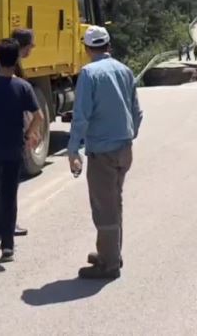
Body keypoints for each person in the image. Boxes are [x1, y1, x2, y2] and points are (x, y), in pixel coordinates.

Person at [68, 26, 143, 280]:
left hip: (103, 151)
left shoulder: (89, 73)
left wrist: (73, 150)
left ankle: (109, 264)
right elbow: (137, 112)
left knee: (104, 207)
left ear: (87, 48)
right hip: (124, 148)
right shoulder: (124, 70)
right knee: (115, 202)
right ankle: (111, 253)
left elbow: (81, 117)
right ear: (108, 45)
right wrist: (129, 135)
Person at [0, 39, 44, 262]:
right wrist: (26, 135)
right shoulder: (23, 87)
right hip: (13, 149)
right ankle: (7, 246)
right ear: (16, 60)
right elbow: (39, 117)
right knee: (9, 195)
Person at [0, 29, 35, 237]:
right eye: (30, 46)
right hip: (10, 132)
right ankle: (6, 222)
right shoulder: (11, 68)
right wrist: (29, 133)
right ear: (23, 47)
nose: (31, 50)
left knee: (4, 180)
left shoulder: (2, 64)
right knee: (9, 181)